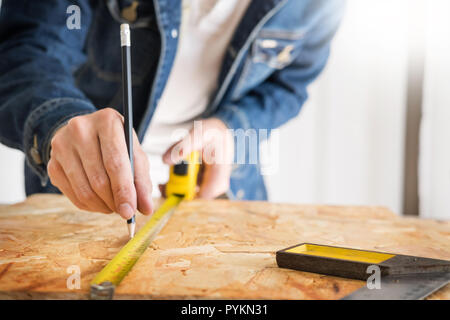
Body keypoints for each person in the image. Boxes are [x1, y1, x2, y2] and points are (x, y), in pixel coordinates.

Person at [0, 0, 344, 220]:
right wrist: (58, 118)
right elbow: (26, 49)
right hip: (83, 192)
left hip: (224, 192)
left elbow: (289, 87)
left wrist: (231, 128)